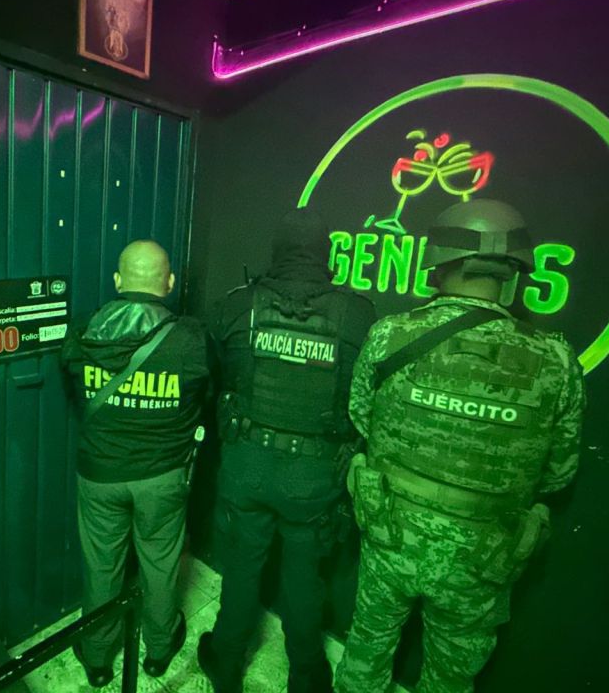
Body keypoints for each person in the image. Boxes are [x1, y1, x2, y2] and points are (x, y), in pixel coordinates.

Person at [335, 199, 586, 693]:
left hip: (391, 531)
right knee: (450, 677)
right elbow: (559, 472)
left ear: (438, 262)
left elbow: (361, 415)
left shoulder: (390, 335)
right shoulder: (555, 361)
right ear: (514, 273)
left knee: (366, 649)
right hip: (484, 555)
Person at [197, 208, 376, 693]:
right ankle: (307, 676)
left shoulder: (238, 304)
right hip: (313, 477)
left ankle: (227, 662)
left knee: (241, 568)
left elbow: (214, 372)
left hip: (247, 464)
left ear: (277, 251)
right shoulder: (358, 316)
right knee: (303, 581)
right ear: (326, 253)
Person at [60, 239, 211, 687]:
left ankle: (97, 659)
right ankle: (159, 652)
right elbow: (207, 396)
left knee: (101, 566)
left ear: (118, 280)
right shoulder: (193, 339)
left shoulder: (83, 329)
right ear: (169, 282)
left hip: (100, 474)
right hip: (164, 477)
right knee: (160, 565)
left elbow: (73, 390)